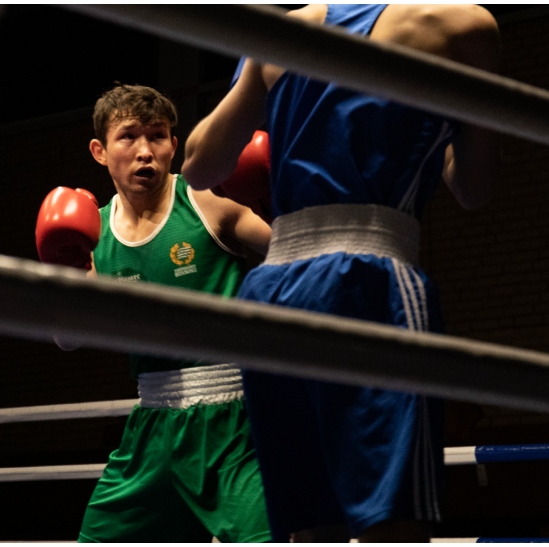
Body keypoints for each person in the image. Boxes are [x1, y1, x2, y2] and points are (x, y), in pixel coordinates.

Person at [182, 4, 500, 542]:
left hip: (273, 291)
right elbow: (474, 188)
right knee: (395, 518)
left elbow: (200, 166)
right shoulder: (462, 24)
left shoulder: (279, 31)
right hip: (370, 280)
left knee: (309, 523)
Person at [54, 84, 272, 543]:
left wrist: (277, 204)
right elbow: (67, 339)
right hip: (152, 425)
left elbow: (290, 250)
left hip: (234, 423)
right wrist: (65, 275)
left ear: (174, 145)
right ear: (100, 150)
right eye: (128, 137)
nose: (144, 151)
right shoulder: (93, 232)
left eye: (157, 136)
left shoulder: (206, 200)